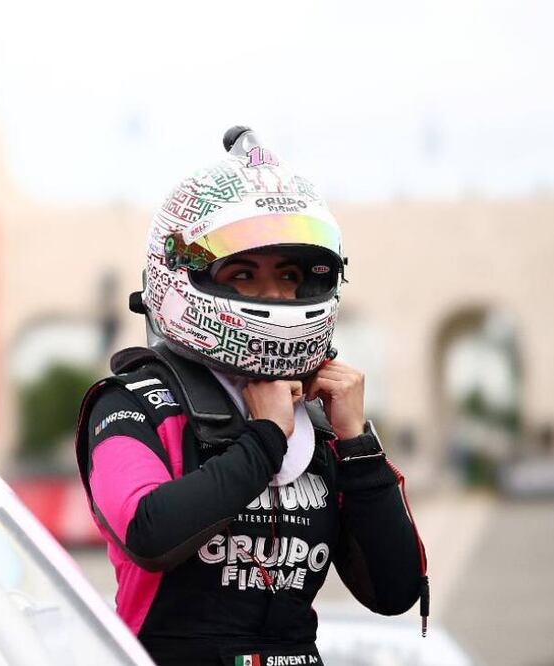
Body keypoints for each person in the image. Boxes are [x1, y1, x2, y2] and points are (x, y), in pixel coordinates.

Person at [75, 127, 429, 666]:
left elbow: (396, 590)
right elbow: (148, 532)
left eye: (288, 275)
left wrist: (359, 446)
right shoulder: (133, 404)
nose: (275, 295)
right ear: (181, 277)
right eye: (243, 275)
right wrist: (264, 439)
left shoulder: (323, 421)